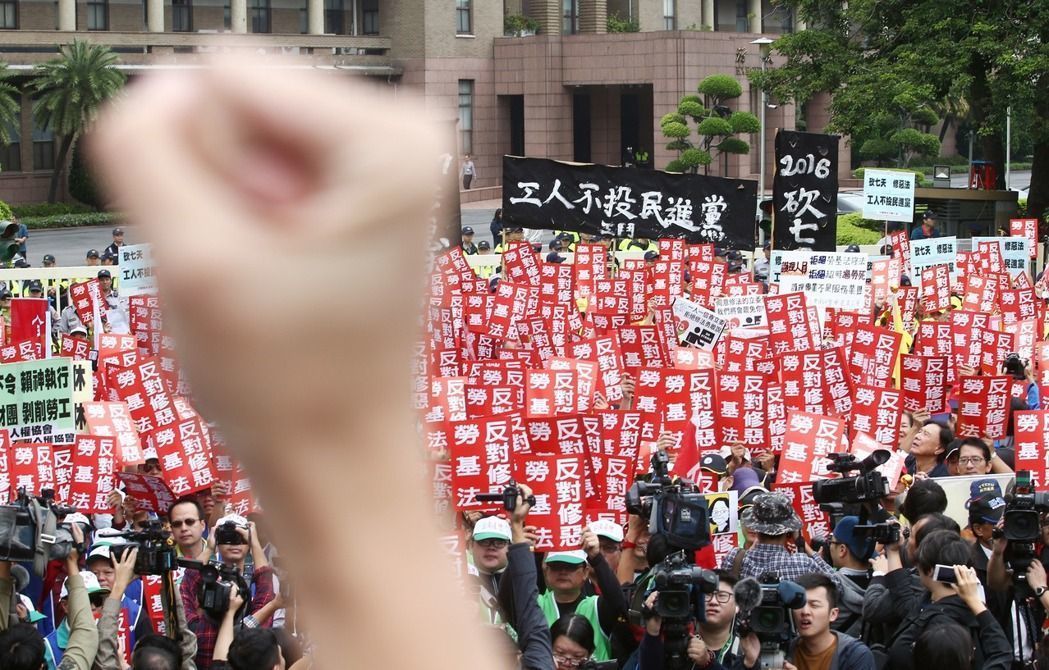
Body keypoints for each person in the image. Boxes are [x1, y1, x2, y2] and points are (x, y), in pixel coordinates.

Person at [887, 531, 1004, 670]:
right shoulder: (932, 601)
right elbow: (904, 601)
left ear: (930, 570)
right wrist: (892, 552)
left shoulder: (942, 625)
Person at [180, 514, 276, 669]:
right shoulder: (251, 638)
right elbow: (266, 592)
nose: (233, 542)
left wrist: (209, 547)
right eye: (226, 537)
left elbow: (186, 588)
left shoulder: (197, 633)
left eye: (240, 537)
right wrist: (255, 543)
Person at [719, 492, 834, 581]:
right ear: (789, 530)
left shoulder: (734, 557)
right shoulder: (802, 563)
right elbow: (838, 584)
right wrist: (803, 544)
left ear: (756, 527)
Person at [786, 573, 874, 670]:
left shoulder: (855, 655)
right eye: (799, 605)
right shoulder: (785, 649)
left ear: (833, 614)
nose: (805, 612)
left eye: (814, 605)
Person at [825, 517, 873, 638]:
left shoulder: (830, 585)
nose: (829, 546)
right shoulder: (882, 584)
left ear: (842, 550)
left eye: (831, 541)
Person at [469, 515, 511, 625]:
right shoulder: (459, 579)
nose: (491, 547)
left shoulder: (521, 581)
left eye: (499, 542)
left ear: (510, 546)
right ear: (471, 545)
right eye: (484, 541)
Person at [169, 496, 209, 561]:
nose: (184, 528)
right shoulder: (167, 561)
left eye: (190, 522)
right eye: (177, 524)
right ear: (171, 529)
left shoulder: (219, 554)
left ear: (203, 525)